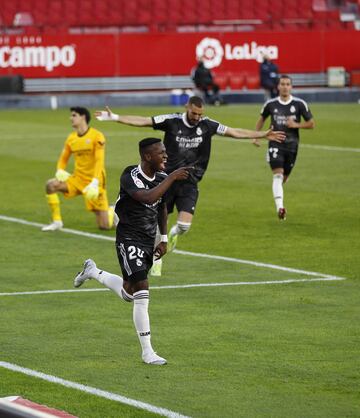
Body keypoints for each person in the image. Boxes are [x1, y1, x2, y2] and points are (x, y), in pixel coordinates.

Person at [94, 96, 285, 274]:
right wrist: (115, 117)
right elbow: (144, 120)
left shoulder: (207, 125)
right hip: (166, 181)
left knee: (184, 225)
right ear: (187, 108)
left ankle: (174, 234)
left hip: (190, 182)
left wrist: (262, 134)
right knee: (154, 220)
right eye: (194, 113)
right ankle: (155, 257)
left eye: (200, 114)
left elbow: (235, 132)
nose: (197, 117)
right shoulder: (172, 121)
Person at [73, 137, 191, 365]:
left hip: (148, 239)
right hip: (128, 237)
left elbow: (162, 208)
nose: (166, 156)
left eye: (166, 152)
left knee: (129, 292)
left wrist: (164, 238)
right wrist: (174, 177)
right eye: (161, 153)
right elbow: (147, 197)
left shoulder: (162, 178)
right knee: (142, 290)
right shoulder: (131, 175)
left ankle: (93, 271)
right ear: (147, 156)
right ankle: (147, 351)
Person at [42, 107, 114, 231]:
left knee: (104, 226)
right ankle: (57, 221)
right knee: (51, 185)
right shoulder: (71, 138)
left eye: (74, 115)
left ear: (83, 117)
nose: (71, 118)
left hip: (95, 181)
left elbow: (99, 161)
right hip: (77, 179)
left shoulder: (97, 136)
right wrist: (60, 170)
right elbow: (63, 158)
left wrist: (95, 182)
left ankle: (113, 209)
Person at [253, 74, 315, 220]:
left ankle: (279, 196)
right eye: (283, 84)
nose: (285, 87)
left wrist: (296, 125)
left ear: (291, 87)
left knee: (284, 178)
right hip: (275, 143)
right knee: (278, 175)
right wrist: (256, 136)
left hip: (292, 145)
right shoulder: (271, 104)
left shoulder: (300, 104)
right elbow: (261, 119)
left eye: (288, 84)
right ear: (278, 86)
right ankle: (280, 208)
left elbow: (312, 124)